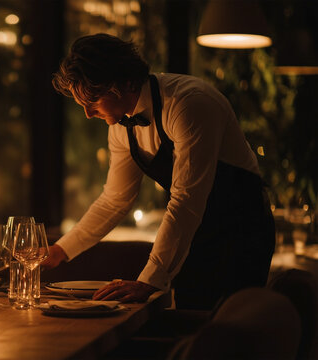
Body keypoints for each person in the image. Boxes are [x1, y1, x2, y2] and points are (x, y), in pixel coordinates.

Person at [43, 33, 275, 310]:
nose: (87, 114)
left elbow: (186, 200)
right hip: (193, 237)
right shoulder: (121, 126)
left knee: (231, 332)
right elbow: (114, 200)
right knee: (192, 329)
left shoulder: (190, 103)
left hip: (241, 234)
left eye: (93, 101)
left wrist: (148, 281)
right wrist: (60, 250)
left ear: (124, 83)